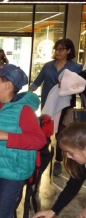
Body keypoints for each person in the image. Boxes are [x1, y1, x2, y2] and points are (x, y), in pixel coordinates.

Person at [0, 64, 46, 218]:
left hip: (13, 172)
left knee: (2, 213)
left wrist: (5, 135)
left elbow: (39, 141)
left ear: (8, 85)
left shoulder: (24, 110)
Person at [29, 38, 82, 177]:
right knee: (45, 132)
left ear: (69, 50)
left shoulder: (76, 67)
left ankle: (58, 160)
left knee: (61, 134)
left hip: (65, 106)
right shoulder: (48, 66)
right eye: (56, 49)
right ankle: (42, 158)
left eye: (61, 49)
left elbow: (79, 86)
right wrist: (24, 97)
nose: (58, 52)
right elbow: (36, 83)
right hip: (48, 105)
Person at [32, 122, 86, 218]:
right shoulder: (81, 164)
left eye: (70, 152)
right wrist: (53, 210)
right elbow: (72, 186)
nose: (68, 156)